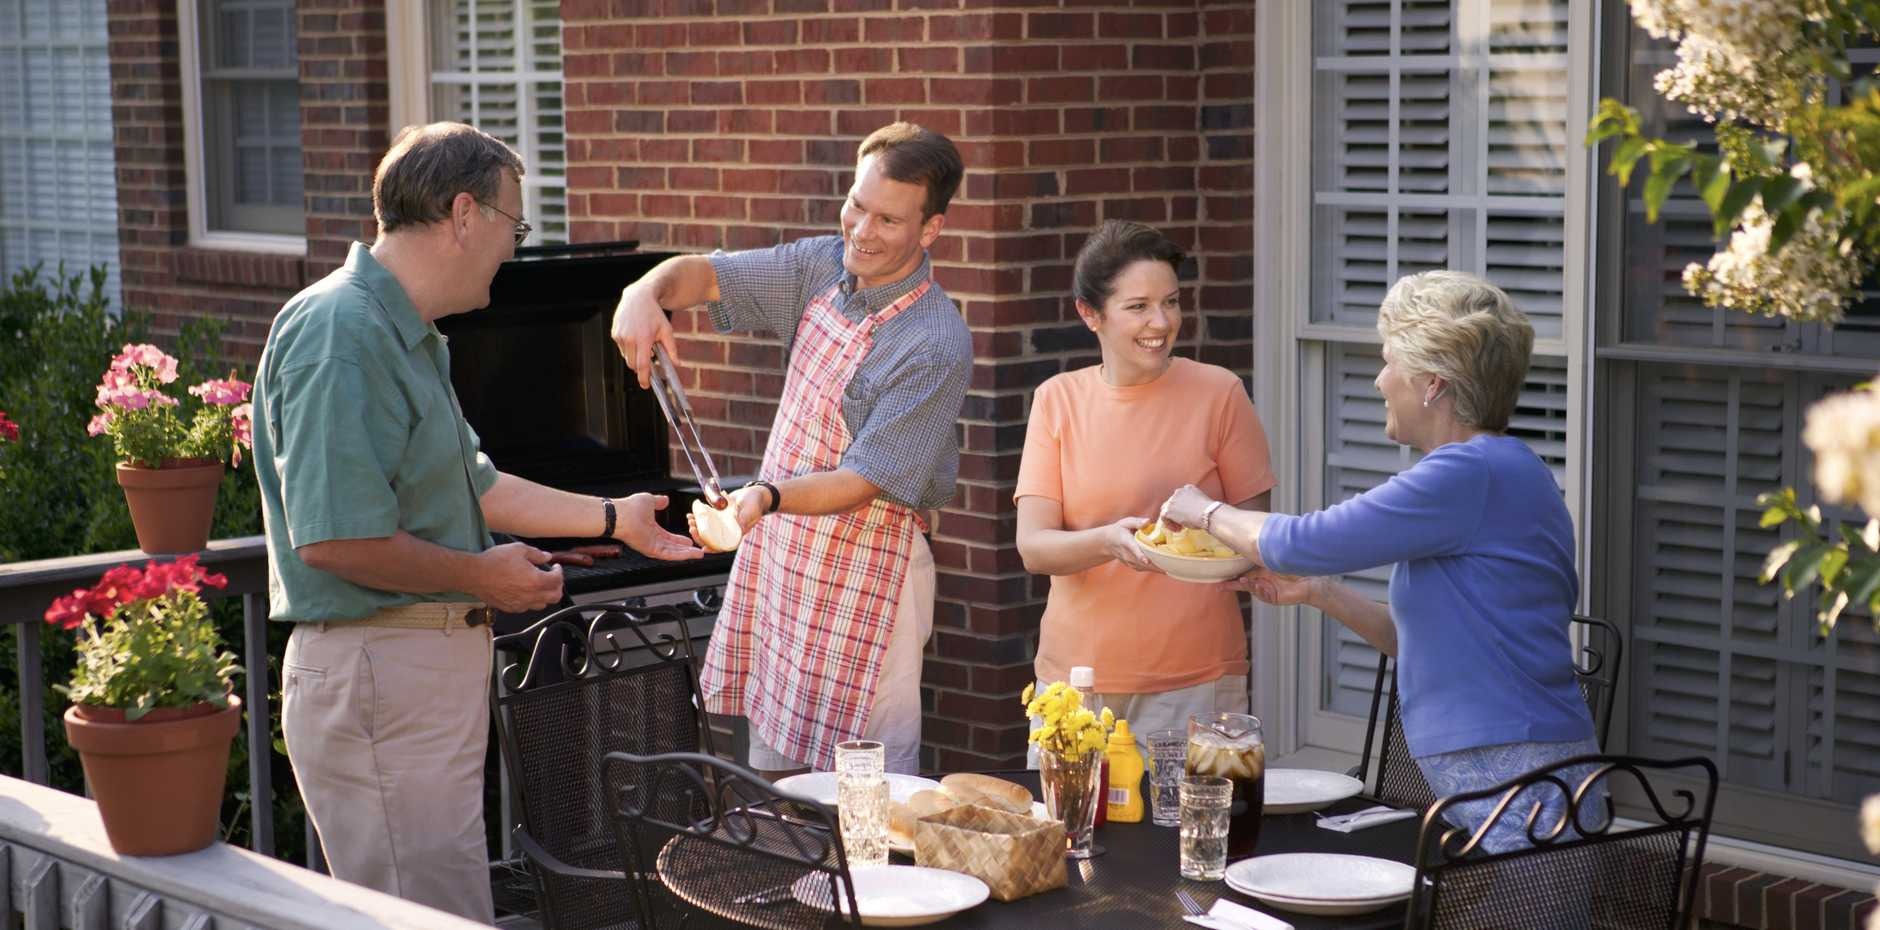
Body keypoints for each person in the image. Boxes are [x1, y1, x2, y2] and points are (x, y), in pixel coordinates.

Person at [253, 122, 701, 922]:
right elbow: (334, 538)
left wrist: (614, 517)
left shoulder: (407, 333)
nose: (511, 250)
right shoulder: (342, 333)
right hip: (382, 670)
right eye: (512, 227)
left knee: (448, 907)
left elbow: (478, 484)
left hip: (408, 675)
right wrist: (479, 575)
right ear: (464, 214)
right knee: (428, 917)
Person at [1159, 270, 1600, 853]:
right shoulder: (1496, 471)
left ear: (1433, 383)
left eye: (1390, 362)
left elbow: (1300, 540)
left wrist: (1204, 509)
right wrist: (1319, 592)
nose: (1378, 380)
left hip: (1526, 788)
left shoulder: (1469, 474)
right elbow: (1414, 641)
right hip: (1512, 783)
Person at [609, 122, 972, 777]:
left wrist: (762, 497)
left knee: (866, 787)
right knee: (777, 775)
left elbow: (863, 480)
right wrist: (643, 294)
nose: (862, 231)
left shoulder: (934, 341)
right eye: (857, 205)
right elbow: (704, 276)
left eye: (889, 219)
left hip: (872, 572)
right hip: (786, 557)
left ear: (931, 229)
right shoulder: (819, 266)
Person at [1014, 220, 1275, 759]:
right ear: (1091, 314)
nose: (1162, 322)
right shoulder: (1056, 400)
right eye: (1138, 307)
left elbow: (1257, 535)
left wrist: (1201, 526)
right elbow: (1034, 547)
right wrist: (1108, 541)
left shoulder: (1220, 394)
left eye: (1171, 302)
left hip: (1194, 680)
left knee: (1190, 815)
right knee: (1069, 815)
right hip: (1075, 684)